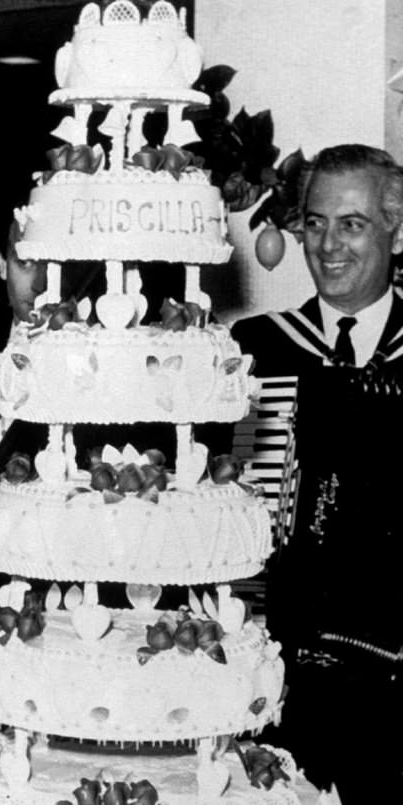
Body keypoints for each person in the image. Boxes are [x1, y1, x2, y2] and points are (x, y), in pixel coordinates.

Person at [230, 143, 403, 800]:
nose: (328, 245)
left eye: (352, 224)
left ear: (396, 228)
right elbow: (231, 511)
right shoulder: (259, 349)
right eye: (315, 222)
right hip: (286, 667)